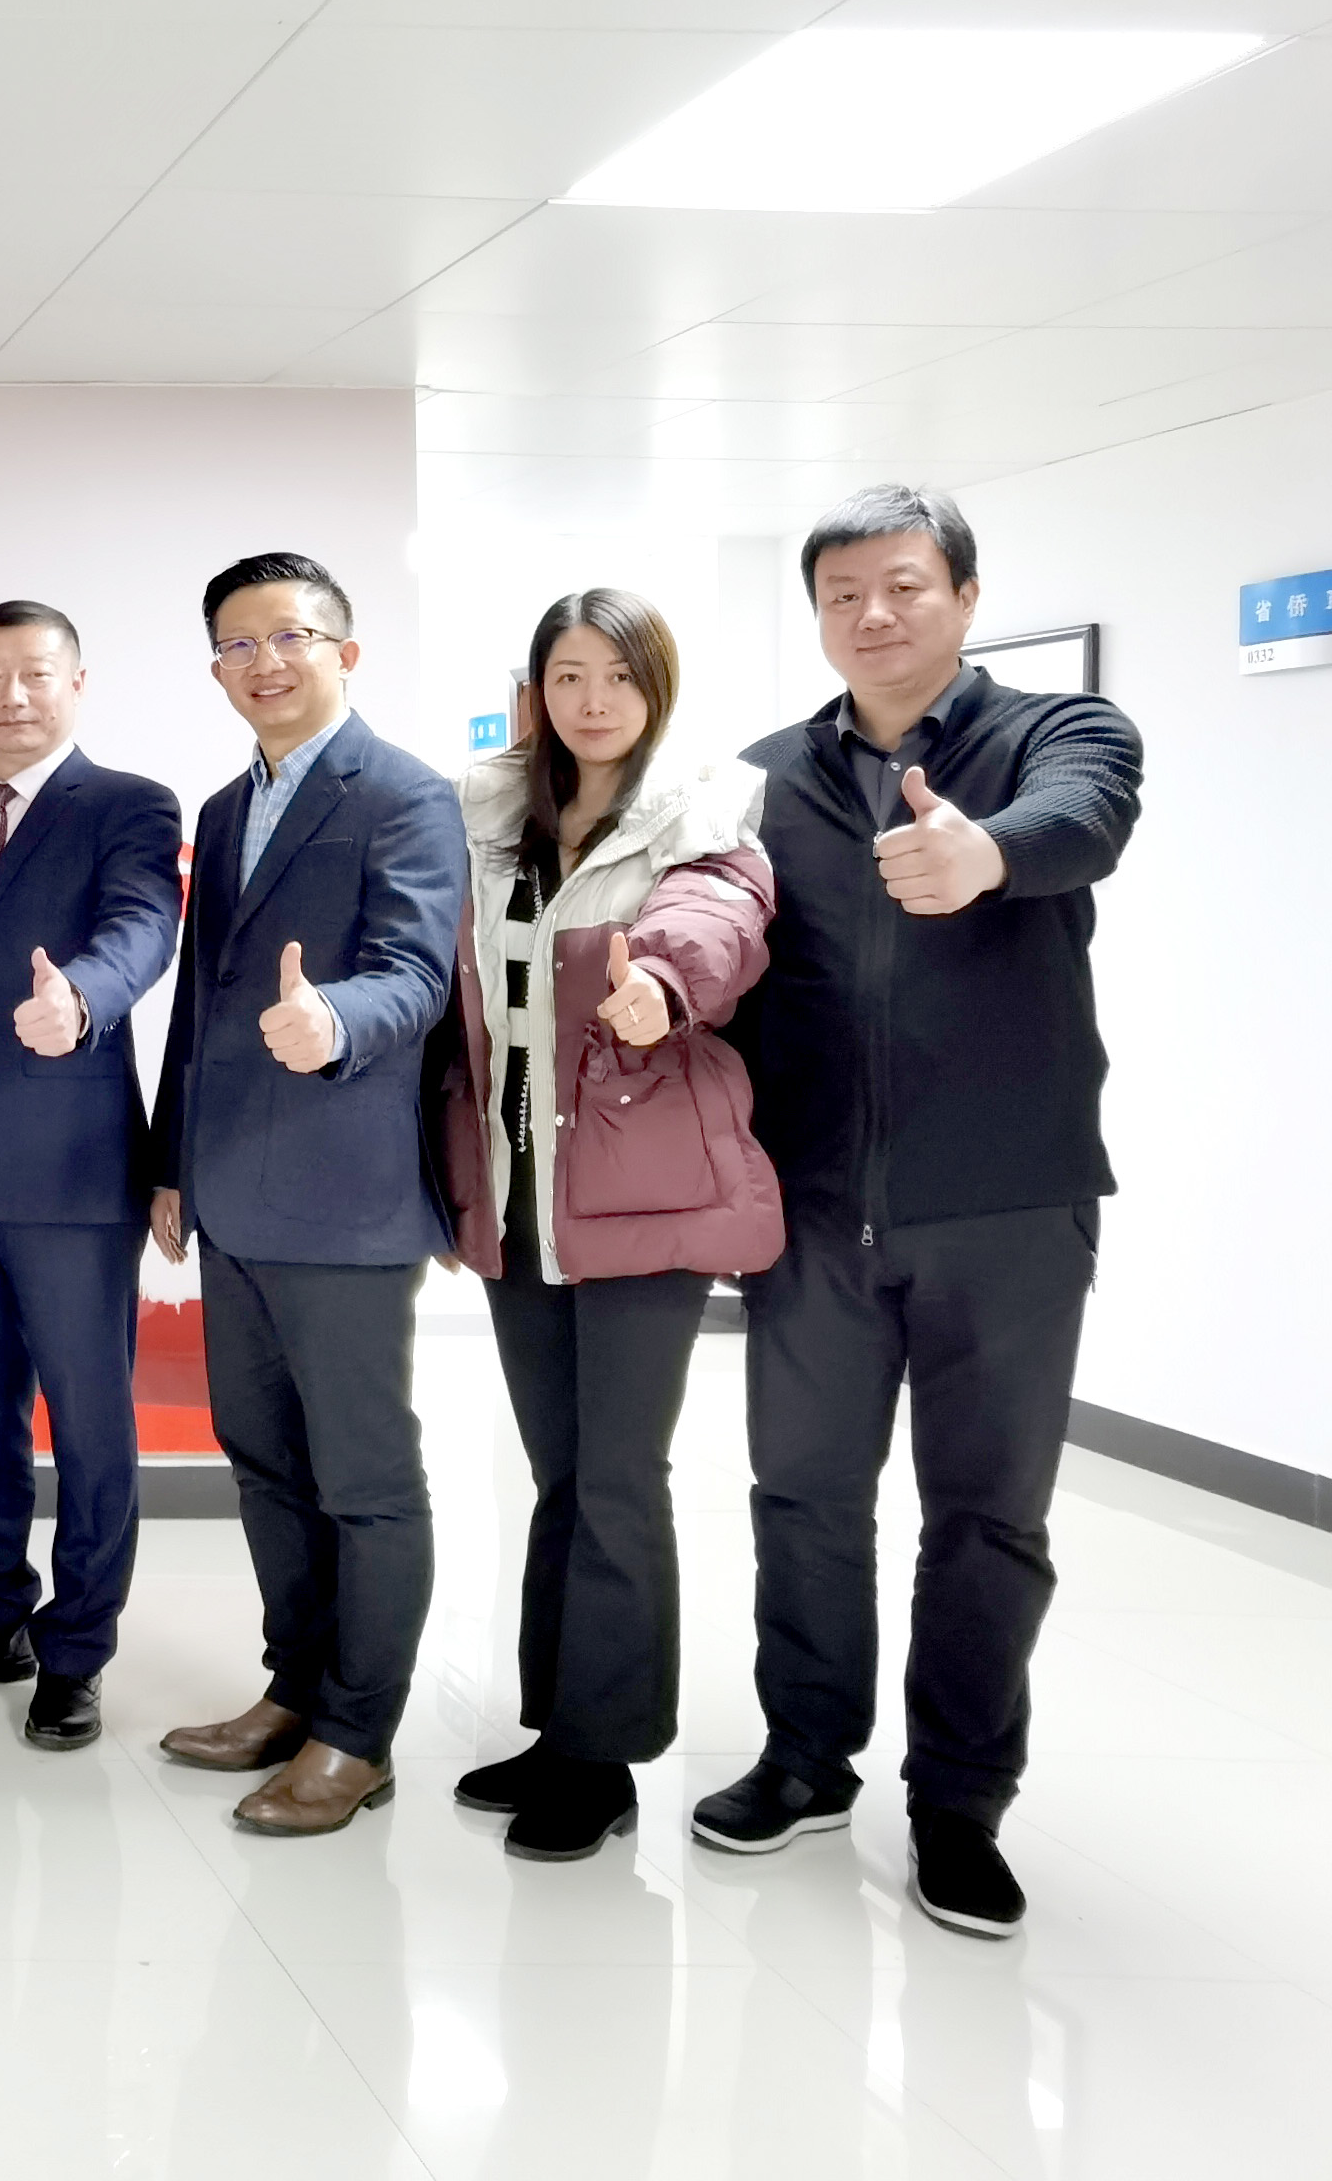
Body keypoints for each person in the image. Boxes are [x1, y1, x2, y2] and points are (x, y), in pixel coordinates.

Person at [692, 486, 1144, 1940]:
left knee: (988, 1519)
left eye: (903, 586)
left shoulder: (1060, 735)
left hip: (1006, 1209)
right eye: (843, 595)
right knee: (804, 1498)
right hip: (818, 1210)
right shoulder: (764, 779)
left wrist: (985, 855)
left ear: (963, 595)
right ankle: (806, 1756)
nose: (873, 615)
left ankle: (959, 1803)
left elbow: (1085, 820)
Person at [431, 591, 782, 1860]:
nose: (593, 702)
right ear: (534, 691)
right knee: (562, 1476)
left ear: (657, 688)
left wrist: (665, 984)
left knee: (620, 1478)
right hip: (520, 1196)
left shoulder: (703, 812)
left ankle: (606, 1755)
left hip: (642, 1199)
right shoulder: (485, 818)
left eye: (619, 677)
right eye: (567, 676)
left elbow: (718, 924)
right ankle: (559, 1727)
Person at [146, 552, 465, 1835]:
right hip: (233, 1192)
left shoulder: (405, 793)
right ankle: (294, 1689)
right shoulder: (229, 807)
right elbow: (203, 1001)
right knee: (265, 1458)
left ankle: (357, 1732)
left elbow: (417, 972)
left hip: (343, 1196)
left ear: (345, 651)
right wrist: (171, 1158)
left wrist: (334, 1020)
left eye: (289, 637)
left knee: (363, 1475)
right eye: (238, 644)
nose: (264, 663)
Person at [0, 602, 184, 1749]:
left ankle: (78, 1649)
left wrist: (85, 998)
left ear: (77, 684)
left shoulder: (128, 804)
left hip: (69, 1166)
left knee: (90, 1420)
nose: (12, 695)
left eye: (36, 674)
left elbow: (143, 928)